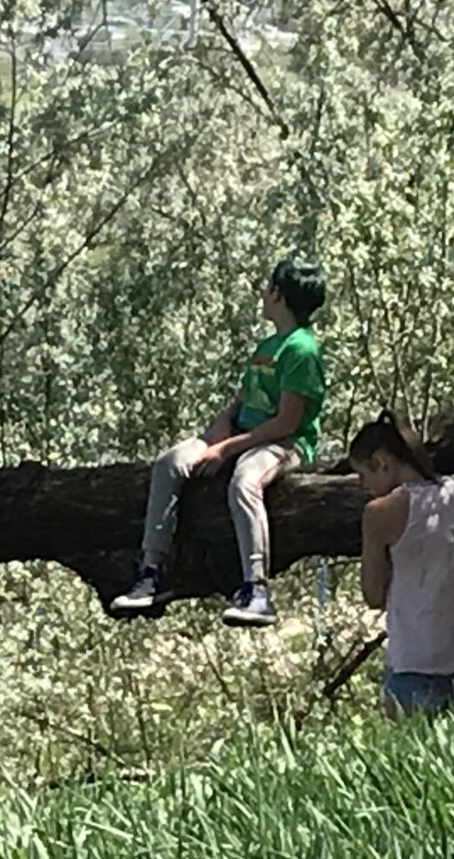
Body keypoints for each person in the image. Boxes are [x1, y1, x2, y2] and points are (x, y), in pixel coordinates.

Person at [111, 256, 328, 626]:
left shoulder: (301, 350)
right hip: (241, 434)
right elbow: (243, 400)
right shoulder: (268, 345)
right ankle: (150, 573)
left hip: (284, 444)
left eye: (268, 287)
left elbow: (286, 422)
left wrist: (226, 450)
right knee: (168, 463)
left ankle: (256, 590)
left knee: (245, 482)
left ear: (278, 294)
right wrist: (219, 429)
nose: (263, 294)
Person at [352, 411, 454, 716]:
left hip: (413, 661)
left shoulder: (380, 512)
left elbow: (373, 595)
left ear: (381, 463)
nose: (363, 485)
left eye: (363, 474)